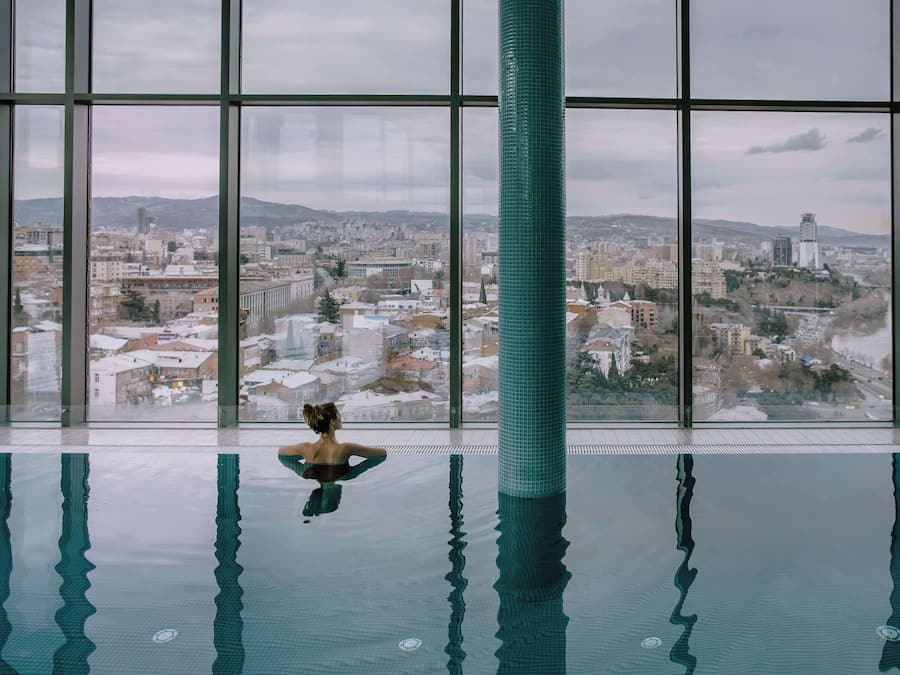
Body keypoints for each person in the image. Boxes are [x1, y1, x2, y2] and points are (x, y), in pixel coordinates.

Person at [278, 402, 386, 519]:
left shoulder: (306, 449)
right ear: (332, 421)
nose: (341, 417)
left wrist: (301, 467)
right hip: (337, 472)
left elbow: (281, 453)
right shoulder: (346, 449)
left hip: (309, 470)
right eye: (339, 414)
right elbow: (381, 454)